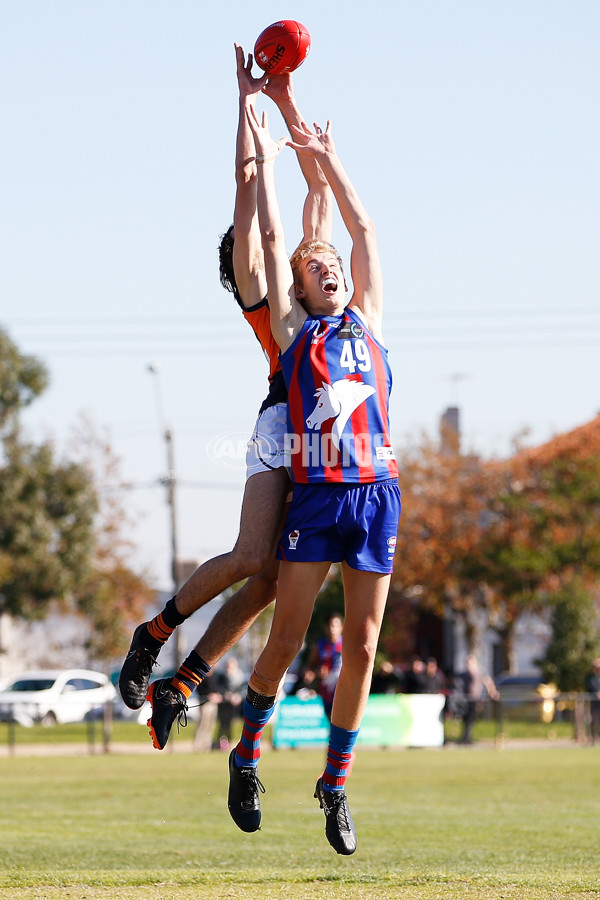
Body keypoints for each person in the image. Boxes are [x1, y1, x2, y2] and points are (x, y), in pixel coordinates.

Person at [118, 44, 332, 751]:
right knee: (250, 558)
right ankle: (154, 635)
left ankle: (184, 681)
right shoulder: (260, 286)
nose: (275, 245)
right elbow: (254, 199)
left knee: (273, 577)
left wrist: (287, 100)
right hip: (284, 422)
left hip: (325, 432)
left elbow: (317, 199)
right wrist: (247, 104)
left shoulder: (314, 282)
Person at [226, 104, 401, 856]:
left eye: (328, 263)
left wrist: (327, 159)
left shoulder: (370, 320)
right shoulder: (295, 335)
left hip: (377, 494)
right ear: (298, 289)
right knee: (288, 639)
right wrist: (262, 159)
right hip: (321, 496)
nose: (326, 265)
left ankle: (336, 784)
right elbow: (270, 236)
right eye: (312, 266)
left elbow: (362, 232)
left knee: (362, 646)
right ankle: (246, 755)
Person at [305, 613, 343, 719]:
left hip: (343, 690)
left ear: (341, 628)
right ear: (326, 628)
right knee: (330, 720)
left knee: (340, 721)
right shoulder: (319, 646)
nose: (332, 629)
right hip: (326, 691)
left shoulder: (346, 645)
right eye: (330, 626)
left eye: (335, 626)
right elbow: (309, 666)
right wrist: (315, 672)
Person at [455, 654, 499, 744]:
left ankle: (468, 738)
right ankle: (466, 738)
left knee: (471, 719)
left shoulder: (480, 673)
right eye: (467, 663)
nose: (468, 665)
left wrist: (492, 692)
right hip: (465, 700)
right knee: (465, 719)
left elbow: (489, 683)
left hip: (475, 700)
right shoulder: (464, 675)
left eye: (470, 663)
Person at [215, 657, 246, 751]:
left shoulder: (240, 677)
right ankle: (222, 742)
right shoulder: (222, 677)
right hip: (225, 705)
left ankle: (236, 742)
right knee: (224, 724)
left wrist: (238, 697)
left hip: (237, 705)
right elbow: (220, 689)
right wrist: (226, 695)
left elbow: (243, 690)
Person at [584, 658, 600, 744]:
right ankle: (594, 738)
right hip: (594, 701)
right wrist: (597, 692)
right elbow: (591, 685)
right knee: (594, 719)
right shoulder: (590, 677)